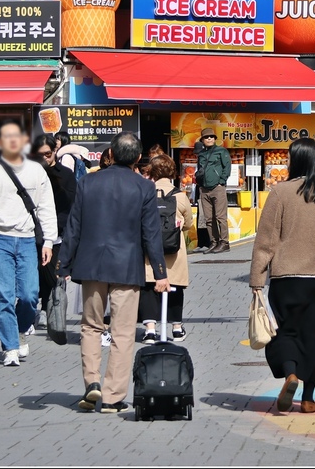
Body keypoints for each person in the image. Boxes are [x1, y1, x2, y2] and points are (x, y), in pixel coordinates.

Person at [57, 132, 169, 414]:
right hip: (127, 267)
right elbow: (151, 234)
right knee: (122, 332)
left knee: (91, 326)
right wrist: (159, 272)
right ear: (139, 158)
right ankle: (112, 397)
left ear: (111, 154)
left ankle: (91, 382)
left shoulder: (88, 182)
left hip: (92, 264)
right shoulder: (143, 187)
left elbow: (74, 226)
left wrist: (64, 264)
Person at [250, 138, 315, 413]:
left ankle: (290, 375)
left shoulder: (280, 193)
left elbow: (266, 241)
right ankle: (308, 399)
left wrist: (257, 280)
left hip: (286, 280)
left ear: (293, 159)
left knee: (286, 332)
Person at [0, 119, 57, 367]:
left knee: (29, 295)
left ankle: (20, 329)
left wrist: (49, 240)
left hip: (27, 240)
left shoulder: (37, 171)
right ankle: (10, 347)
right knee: (3, 297)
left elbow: (47, 207)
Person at [139, 154, 194, 344]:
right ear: (172, 172)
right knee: (175, 286)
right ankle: (177, 328)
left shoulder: (145, 192)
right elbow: (188, 224)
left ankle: (150, 330)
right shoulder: (179, 195)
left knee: (149, 285)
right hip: (174, 248)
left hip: (149, 248)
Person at [31, 134, 76, 330]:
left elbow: (72, 205)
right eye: (40, 155)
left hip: (56, 233)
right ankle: (36, 309)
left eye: (48, 154)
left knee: (51, 272)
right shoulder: (29, 173)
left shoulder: (65, 174)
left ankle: (48, 310)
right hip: (31, 232)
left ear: (55, 151)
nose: (45, 158)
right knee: (35, 274)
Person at [196, 127, 232, 254]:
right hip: (204, 189)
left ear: (215, 139)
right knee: (208, 219)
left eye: (211, 136)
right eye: (206, 137)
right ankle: (214, 242)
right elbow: (200, 169)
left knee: (220, 217)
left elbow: (227, 167)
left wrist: (221, 182)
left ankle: (224, 242)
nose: (209, 138)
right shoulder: (201, 154)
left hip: (217, 188)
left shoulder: (221, 151)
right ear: (203, 140)